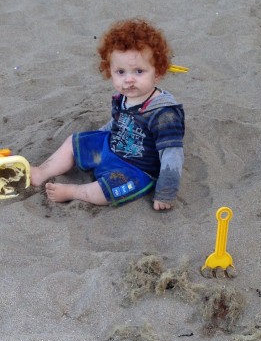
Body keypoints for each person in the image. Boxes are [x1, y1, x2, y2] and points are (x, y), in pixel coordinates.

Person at [30, 18, 185, 210]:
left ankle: (74, 191)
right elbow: (116, 124)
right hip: (112, 148)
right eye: (120, 72)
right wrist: (96, 139)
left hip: (137, 169)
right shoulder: (123, 97)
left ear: (158, 72)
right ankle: (41, 172)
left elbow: (172, 156)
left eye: (138, 71)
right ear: (109, 71)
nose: (128, 80)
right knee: (74, 141)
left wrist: (166, 193)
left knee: (107, 191)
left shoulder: (164, 115)